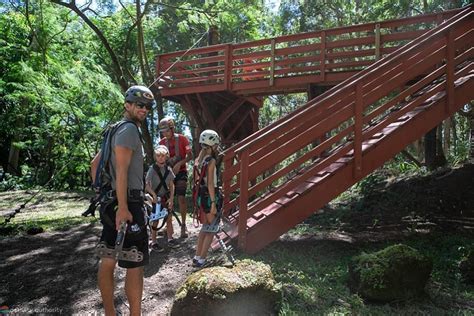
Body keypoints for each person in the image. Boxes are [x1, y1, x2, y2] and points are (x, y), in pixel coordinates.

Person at [91, 85, 154, 316]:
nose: (144, 109)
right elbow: (122, 170)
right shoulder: (129, 130)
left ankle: (110, 313)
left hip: (113, 202)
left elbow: (95, 166)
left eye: (148, 106)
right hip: (127, 206)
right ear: (127, 104)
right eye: (139, 104)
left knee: (108, 258)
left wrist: (106, 196)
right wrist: (125, 206)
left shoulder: (114, 129)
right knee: (134, 265)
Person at [158, 117, 193, 238]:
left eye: (167, 130)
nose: (165, 133)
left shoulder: (183, 139)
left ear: (172, 129)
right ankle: (168, 226)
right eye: (163, 131)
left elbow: (190, 156)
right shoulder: (161, 143)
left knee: (181, 198)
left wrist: (179, 164)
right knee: (167, 200)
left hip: (181, 172)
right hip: (167, 174)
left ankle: (183, 226)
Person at [192, 129, 221, 268]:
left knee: (205, 228)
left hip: (201, 195)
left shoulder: (199, 160)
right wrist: (214, 202)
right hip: (210, 195)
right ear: (214, 145)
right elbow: (210, 183)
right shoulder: (212, 161)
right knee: (211, 228)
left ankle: (197, 256)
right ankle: (202, 259)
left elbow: (198, 180)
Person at [145, 145, 178, 251]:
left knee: (168, 218)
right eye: (158, 155)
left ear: (166, 156)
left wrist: (172, 198)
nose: (160, 158)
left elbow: (172, 184)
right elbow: (146, 185)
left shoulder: (168, 169)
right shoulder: (152, 169)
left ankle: (170, 238)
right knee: (155, 220)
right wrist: (153, 195)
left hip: (166, 197)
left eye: (163, 155)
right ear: (155, 156)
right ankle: (154, 241)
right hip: (157, 199)